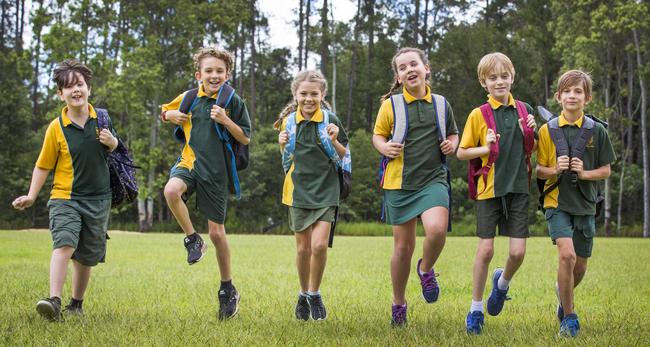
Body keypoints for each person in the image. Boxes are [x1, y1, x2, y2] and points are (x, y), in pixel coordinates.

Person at [12, 59, 120, 321]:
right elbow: (43, 166)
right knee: (65, 243)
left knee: (86, 257)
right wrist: (31, 195)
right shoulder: (56, 128)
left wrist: (112, 141)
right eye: (69, 87)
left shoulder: (102, 119)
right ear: (60, 94)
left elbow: (119, 151)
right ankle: (54, 300)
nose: (76, 90)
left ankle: (76, 304)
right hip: (65, 198)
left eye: (80, 84)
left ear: (88, 89)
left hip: (99, 200)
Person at [160, 47, 251, 320]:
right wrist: (169, 116)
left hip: (216, 173)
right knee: (171, 190)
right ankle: (191, 239)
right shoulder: (189, 97)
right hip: (189, 163)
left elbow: (245, 138)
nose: (214, 75)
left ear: (227, 74)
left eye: (219, 71)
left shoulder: (233, 101)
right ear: (198, 74)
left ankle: (227, 288)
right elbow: (163, 111)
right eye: (208, 71)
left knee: (218, 234)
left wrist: (225, 119)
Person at [372, 47, 459, 326]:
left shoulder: (442, 103)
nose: (409, 70)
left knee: (436, 230)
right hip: (399, 183)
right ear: (398, 77)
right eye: (402, 67)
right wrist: (385, 147)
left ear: (426, 68)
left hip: (433, 178)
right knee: (403, 248)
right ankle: (399, 303)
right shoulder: (391, 105)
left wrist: (452, 144)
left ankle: (426, 269)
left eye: (414, 64)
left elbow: (454, 134)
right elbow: (378, 136)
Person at [457, 52, 537, 334]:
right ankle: (476, 309)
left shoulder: (524, 111)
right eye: (493, 77)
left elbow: (531, 149)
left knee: (517, 252)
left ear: (512, 77)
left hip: (518, 189)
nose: (500, 81)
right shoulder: (478, 115)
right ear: (484, 82)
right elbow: (461, 151)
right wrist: (486, 146)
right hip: (489, 189)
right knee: (486, 249)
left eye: (504, 76)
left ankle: (501, 284)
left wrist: (532, 133)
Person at [536, 70, 615, 337]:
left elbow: (606, 170)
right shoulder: (547, 131)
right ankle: (569, 318)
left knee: (579, 266)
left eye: (578, 91)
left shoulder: (598, 131)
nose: (572, 95)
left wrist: (585, 174)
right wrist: (554, 170)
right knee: (566, 255)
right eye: (567, 91)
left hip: (586, 205)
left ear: (587, 98)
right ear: (558, 97)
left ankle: (563, 297)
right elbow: (538, 170)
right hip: (556, 202)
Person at [276, 70, 349, 321]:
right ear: (295, 95)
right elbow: (286, 159)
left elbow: (344, 155)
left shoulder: (330, 120)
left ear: (322, 95)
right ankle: (302, 293)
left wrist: (335, 139)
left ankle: (315, 293)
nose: (308, 99)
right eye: (304, 94)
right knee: (303, 249)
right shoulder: (288, 122)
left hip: (327, 189)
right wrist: (281, 142)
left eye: (314, 94)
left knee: (319, 246)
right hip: (297, 191)